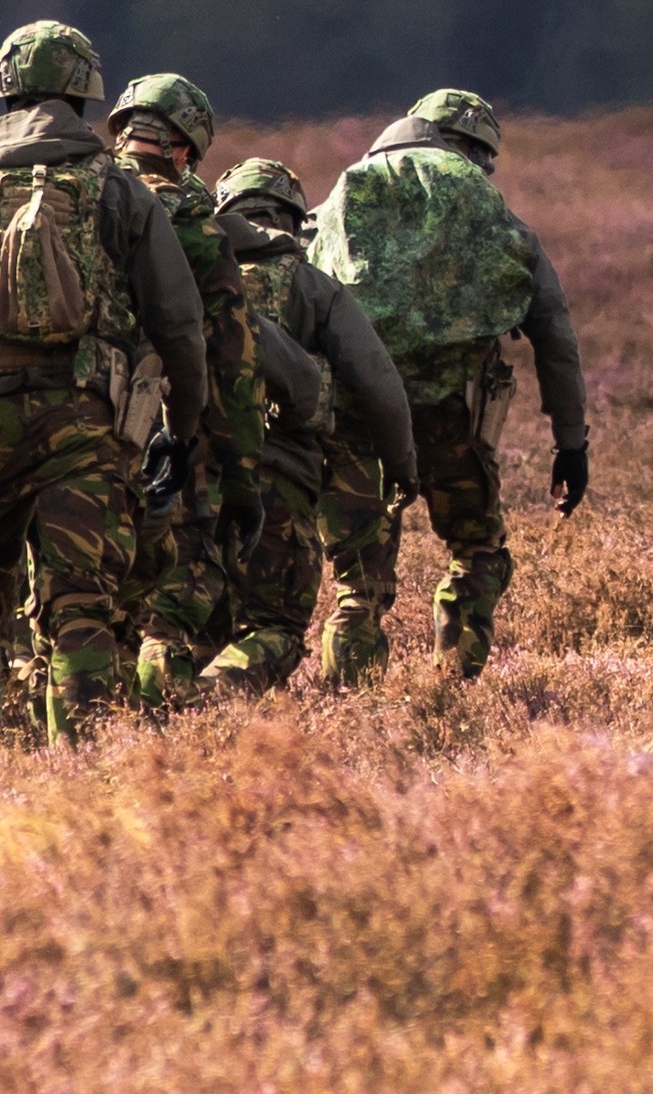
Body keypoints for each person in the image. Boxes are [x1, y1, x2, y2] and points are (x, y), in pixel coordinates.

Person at [0, 21, 210, 740]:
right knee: (79, 603)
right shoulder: (120, 188)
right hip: (87, 425)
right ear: (85, 90)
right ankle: (82, 770)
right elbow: (178, 322)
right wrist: (186, 423)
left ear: (4, 86)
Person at [311, 89, 585, 683]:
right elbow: (554, 335)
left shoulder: (344, 193)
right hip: (452, 413)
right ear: (473, 150)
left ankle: (346, 712)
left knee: (359, 584)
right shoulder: (489, 209)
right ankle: (451, 686)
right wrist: (571, 442)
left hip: (355, 410)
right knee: (478, 549)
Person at [203, 158, 414, 691]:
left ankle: (160, 718)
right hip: (281, 472)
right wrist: (402, 464)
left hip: (191, 475)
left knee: (189, 615)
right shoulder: (315, 287)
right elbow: (377, 382)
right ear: (296, 220)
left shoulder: (193, 279)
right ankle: (211, 701)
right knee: (276, 624)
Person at [100, 73, 269, 708]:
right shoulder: (191, 218)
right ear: (183, 150)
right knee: (163, 577)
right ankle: (133, 728)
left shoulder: (71, 192)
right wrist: (240, 471)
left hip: (59, 419)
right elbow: (231, 357)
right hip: (161, 431)